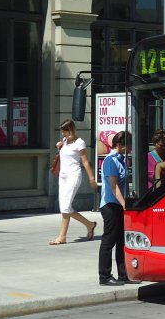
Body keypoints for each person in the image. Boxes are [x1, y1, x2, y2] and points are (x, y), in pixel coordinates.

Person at [49, 119, 97, 245]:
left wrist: (91, 178)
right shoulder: (64, 141)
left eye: (66, 132)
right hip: (63, 176)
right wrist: (59, 146)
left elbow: (85, 161)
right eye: (63, 133)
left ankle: (62, 237)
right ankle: (89, 224)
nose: (64, 135)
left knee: (65, 207)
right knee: (65, 207)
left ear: (72, 130)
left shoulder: (80, 142)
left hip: (74, 176)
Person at [98, 131, 131, 286]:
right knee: (109, 240)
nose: (130, 149)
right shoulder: (111, 160)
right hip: (110, 205)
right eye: (128, 145)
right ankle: (104, 276)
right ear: (120, 144)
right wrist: (125, 205)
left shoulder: (122, 160)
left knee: (121, 240)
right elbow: (113, 186)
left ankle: (123, 274)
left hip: (119, 204)